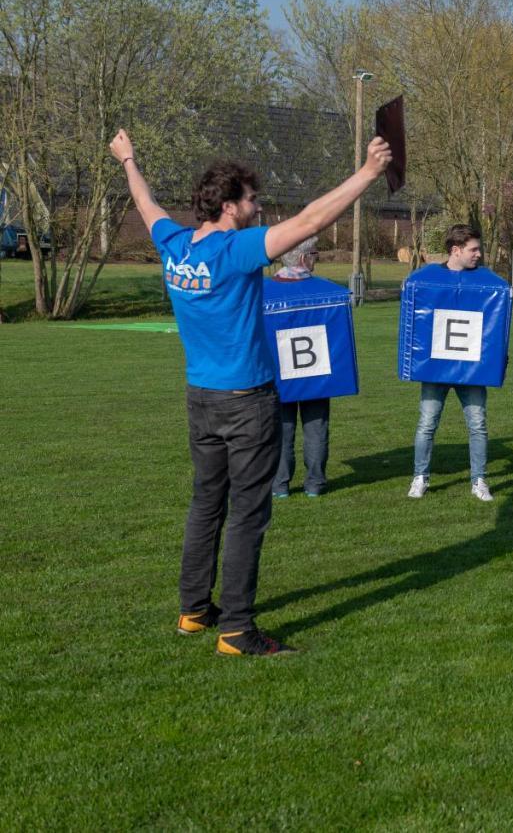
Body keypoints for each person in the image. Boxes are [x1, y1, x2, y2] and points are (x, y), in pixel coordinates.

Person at [110, 128, 391, 657]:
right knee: (248, 514)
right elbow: (311, 221)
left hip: (201, 399)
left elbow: (145, 204)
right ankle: (237, 629)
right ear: (231, 206)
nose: (259, 207)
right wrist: (369, 174)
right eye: (253, 200)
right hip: (247, 402)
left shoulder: (173, 245)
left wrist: (128, 160)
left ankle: (194, 610)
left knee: (205, 505)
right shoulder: (235, 250)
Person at [407, 224, 495, 503]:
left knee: (478, 424)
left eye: (479, 248)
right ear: (455, 251)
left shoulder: (486, 282)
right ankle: (420, 477)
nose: (479, 254)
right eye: (473, 249)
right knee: (427, 423)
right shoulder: (427, 279)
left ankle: (479, 480)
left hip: (471, 370)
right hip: (436, 368)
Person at [270, 236, 330, 500]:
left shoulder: (263, 291)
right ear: (305, 258)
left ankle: (280, 485)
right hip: (316, 371)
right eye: (315, 254)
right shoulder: (325, 291)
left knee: (281, 431)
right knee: (316, 429)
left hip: (277, 374)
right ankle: (314, 483)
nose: (316, 258)